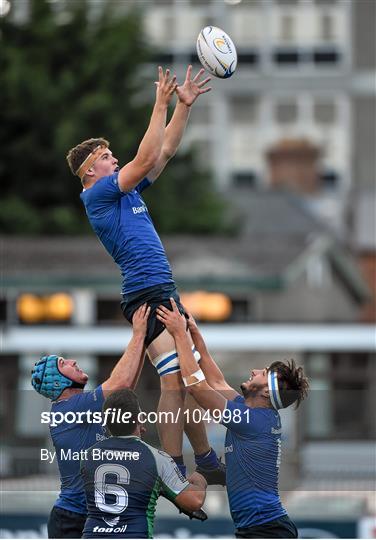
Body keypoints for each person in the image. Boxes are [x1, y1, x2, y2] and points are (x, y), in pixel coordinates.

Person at [66, 65, 225, 486]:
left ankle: (204, 458)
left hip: (161, 290)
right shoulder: (96, 194)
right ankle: (173, 465)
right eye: (105, 157)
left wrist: (183, 107)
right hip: (147, 293)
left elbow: (165, 151)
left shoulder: (125, 191)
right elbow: (147, 157)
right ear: (89, 172)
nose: (113, 159)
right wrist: (159, 102)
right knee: (175, 381)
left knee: (188, 379)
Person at [156, 299, 310, 539]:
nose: (255, 371)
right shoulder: (251, 411)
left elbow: (198, 387)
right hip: (262, 528)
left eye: (263, 373)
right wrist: (193, 335)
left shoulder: (252, 421)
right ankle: (206, 462)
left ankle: (198, 463)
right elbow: (216, 381)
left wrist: (179, 334)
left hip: (266, 530)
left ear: (267, 392)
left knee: (191, 392)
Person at [31, 304, 150, 539]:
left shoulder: (83, 405)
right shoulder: (70, 408)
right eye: (63, 363)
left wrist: (142, 343)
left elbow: (124, 391)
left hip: (95, 516)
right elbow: (121, 384)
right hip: (72, 519)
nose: (73, 361)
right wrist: (138, 335)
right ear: (57, 382)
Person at [80, 388, 207, 538]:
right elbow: (194, 501)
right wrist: (201, 479)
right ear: (139, 419)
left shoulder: (88, 455)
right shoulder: (155, 457)